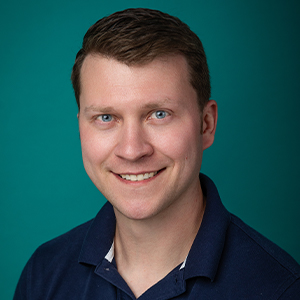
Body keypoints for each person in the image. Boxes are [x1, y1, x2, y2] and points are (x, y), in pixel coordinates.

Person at [14, 8, 300, 299]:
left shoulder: (280, 289)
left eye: (159, 114)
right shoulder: (43, 275)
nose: (132, 150)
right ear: (80, 129)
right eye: (106, 117)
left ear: (206, 125)